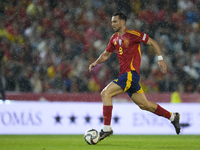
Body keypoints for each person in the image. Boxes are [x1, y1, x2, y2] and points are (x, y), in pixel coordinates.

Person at [89, 12, 181, 141]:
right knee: (145, 105)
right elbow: (106, 54)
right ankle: (173, 117)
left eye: (115, 21)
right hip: (126, 76)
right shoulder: (114, 38)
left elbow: (153, 42)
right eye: (112, 21)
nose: (112, 24)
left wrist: (160, 59)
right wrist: (96, 62)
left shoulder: (133, 35)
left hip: (130, 74)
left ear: (122, 22)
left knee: (106, 93)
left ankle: (106, 129)